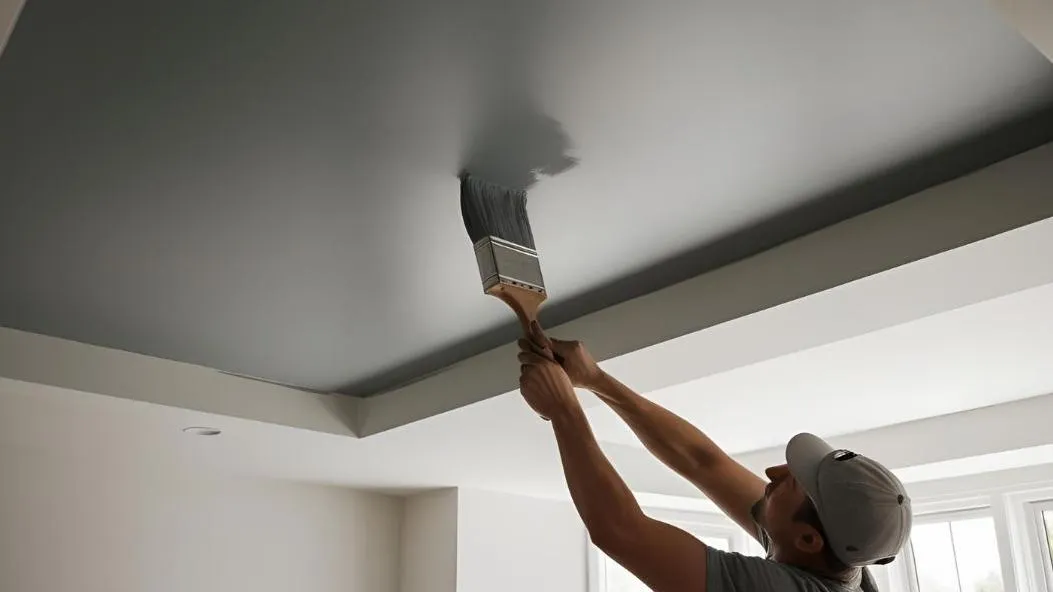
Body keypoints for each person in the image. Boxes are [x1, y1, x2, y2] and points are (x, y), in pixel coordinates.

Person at [517, 322, 912, 592]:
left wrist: (564, 412)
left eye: (792, 482)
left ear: (809, 538)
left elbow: (620, 531)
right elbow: (703, 461)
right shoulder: (830, 554)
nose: (771, 472)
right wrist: (596, 380)